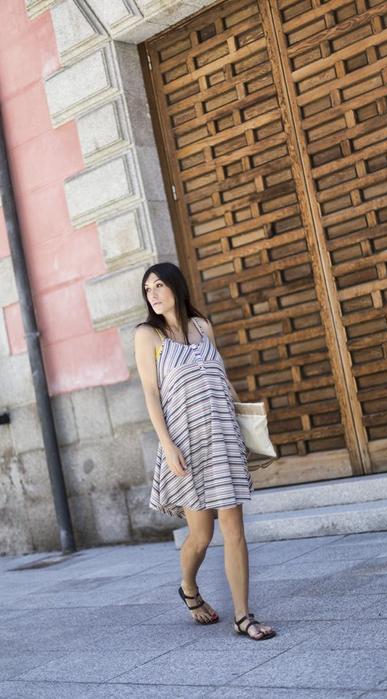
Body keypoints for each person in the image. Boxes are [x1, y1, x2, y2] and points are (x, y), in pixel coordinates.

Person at [134, 261, 276, 641]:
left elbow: (221, 376)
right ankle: (189, 587)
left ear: (177, 287)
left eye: (160, 285)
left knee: (234, 528)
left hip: (222, 437)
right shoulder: (148, 335)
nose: (154, 294)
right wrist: (167, 445)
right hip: (185, 443)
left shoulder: (202, 327)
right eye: (148, 290)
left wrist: (246, 424)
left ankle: (243, 616)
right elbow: (151, 394)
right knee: (201, 535)